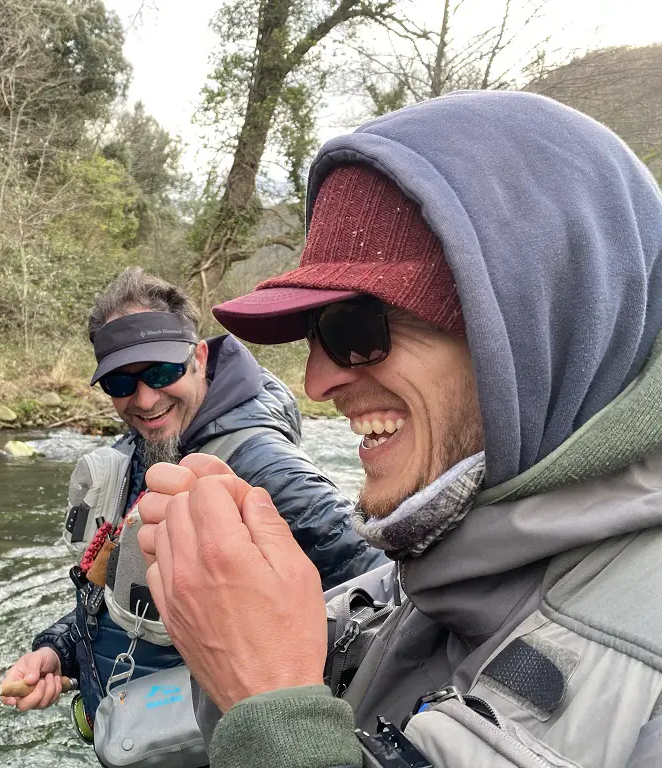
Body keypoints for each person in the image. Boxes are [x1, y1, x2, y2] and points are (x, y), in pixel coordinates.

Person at [136, 90, 662, 768]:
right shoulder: (426, 561)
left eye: (354, 329)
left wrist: (273, 709)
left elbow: (280, 718)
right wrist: (232, 634)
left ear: (534, 335)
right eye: (314, 335)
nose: (315, 383)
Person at [0, 267, 383, 739]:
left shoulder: (265, 469)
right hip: (136, 731)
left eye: (161, 372)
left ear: (199, 357)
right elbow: (117, 592)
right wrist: (57, 651)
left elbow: (383, 602)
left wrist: (297, 731)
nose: (144, 399)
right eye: (121, 383)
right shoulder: (144, 447)